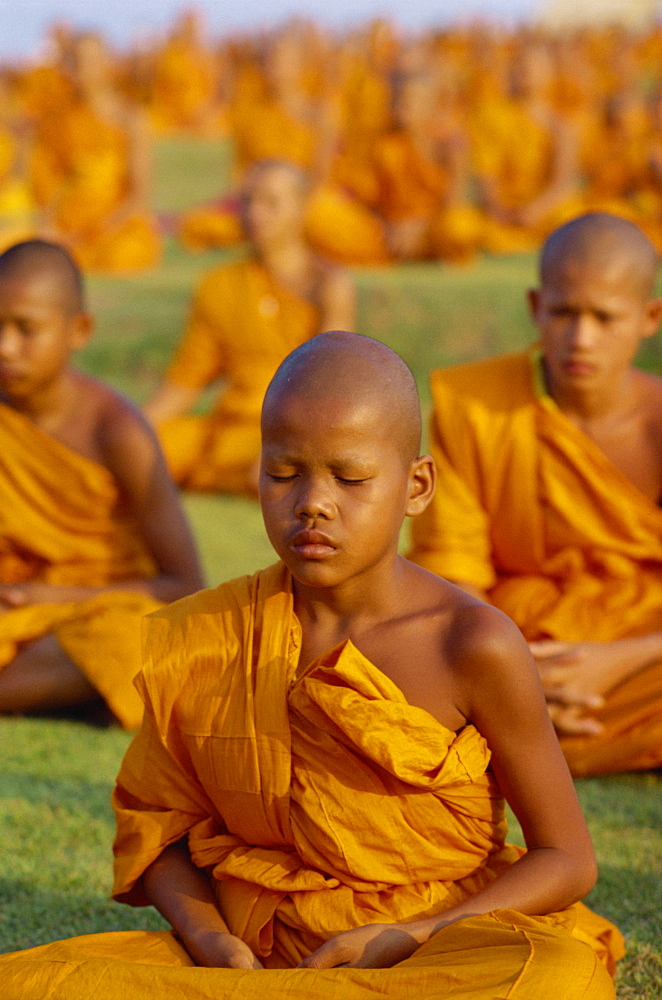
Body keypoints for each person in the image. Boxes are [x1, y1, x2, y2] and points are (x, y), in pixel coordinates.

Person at [0, 331, 622, 997]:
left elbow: (567, 858)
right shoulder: (216, 633)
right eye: (283, 474)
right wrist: (211, 940)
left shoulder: (470, 642)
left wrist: (413, 935)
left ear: (416, 486)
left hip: (431, 950)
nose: (313, 503)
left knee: (549, 981)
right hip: (253, 951)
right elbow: (162, 832)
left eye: (350, 478)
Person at [409, 212, 662, 777]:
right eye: (564, 313)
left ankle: (512, 726)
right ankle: (518, 713)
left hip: (640, 647)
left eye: (604, 317)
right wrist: (512, 672)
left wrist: (613, 664)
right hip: (510, 633)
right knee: (400, 652)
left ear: (649, 318)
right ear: (534, 307)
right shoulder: (476, 408)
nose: (581, 339)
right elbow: (454, 575)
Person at [0, 239, 203, 727]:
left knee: (132, 641)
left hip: (97, 610)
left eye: (26, 329)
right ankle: (63, 694)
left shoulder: (117, 431)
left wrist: (55, 599)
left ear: (80, 330)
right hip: (12, 605)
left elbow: (185, 587)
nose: (5, 347)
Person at [145, 159, 356, 495]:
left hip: (294, 430)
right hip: (228, 428)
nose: (255, 213)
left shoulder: (327, 286)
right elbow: (185, 382)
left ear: (302, 208)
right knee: (141, 449)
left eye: (270, 203)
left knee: (280, 464)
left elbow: (327, 383)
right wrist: (133, 427)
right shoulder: (220, 286)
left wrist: (289, 442)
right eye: (248, 202)